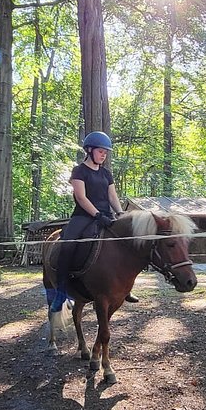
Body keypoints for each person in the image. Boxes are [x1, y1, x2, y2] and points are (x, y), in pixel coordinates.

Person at [49, 131, 126, 312]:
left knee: (125, 243)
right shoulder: (79, 171)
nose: (103, 155)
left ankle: (124, 287)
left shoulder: (106, 173)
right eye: (100, 151)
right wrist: (97, 215)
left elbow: (112, 196)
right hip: (83, 216)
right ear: (89, 150)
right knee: (67, 245)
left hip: (106, 216)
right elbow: (81, 198)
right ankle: (61, 291)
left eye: (105, 152)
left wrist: (120, 213)